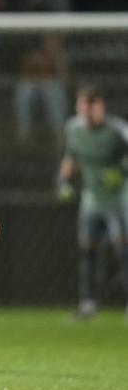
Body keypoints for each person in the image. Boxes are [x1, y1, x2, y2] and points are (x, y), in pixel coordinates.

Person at [58, 86, 128, 319]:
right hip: (91, 200)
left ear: (101, 106)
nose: (86, 112)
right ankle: (88, 304)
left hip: (118, 199)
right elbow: (71, 157)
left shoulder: (118, 131)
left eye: (91, 107)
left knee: (123, 250)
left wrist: (121, 172)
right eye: (82, 107)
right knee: (88, 251)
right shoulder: (73, 129)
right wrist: (64, 180)